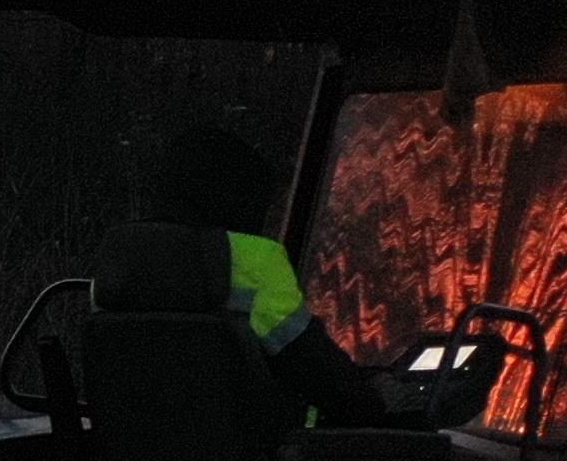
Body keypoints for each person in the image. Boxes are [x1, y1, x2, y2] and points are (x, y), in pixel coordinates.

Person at [114, 115, 388, 429]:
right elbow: (319, 371)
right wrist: (378, 403)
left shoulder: (121, 262)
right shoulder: (252, 262)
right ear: (233, 198)